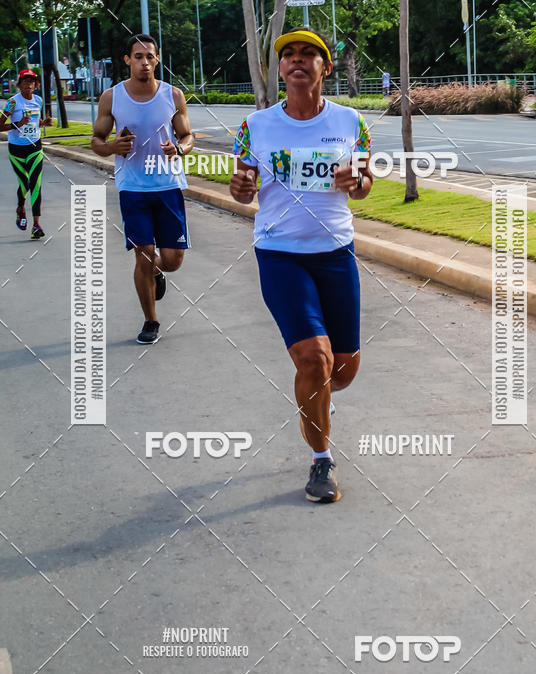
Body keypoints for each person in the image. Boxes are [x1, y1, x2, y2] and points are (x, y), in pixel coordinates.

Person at [229, 27, 373, 503]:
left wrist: (358, 181)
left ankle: (314, 402)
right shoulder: (256, 125)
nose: (296, 60)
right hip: (279, 252)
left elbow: (366, 181)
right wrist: (241, 189)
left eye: (308, 53)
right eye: (287, 54)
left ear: (325, 68)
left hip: (335, 252)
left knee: (343, 370)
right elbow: (242, 181)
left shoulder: (352, 121)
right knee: (315, 358)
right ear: (280, 70)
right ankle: (321, 461)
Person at [91, 34, 194, 344]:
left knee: (173, 259)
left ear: (157, 59)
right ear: (128, 60)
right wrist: (111, 148)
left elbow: (188, 137)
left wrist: (179, 148)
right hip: (133, 187)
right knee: (144, 254)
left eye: (150, 56)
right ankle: (151, 320)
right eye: (138, 56)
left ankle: (158, 272)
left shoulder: (173, 95)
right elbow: (96, 141)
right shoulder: (112, 97)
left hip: (168, 184)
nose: (145, 62)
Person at [0, 68, 52, 239]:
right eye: (24, 81)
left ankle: (36, 225)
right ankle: (20, 208)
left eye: (31, 81)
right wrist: (18, 124)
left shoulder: (38, 100)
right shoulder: (13, 102)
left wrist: (44, 123)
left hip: (35, 147)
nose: (28, 84)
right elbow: (0, 126)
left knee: (35, 184)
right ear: (19, 84)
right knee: (25, 184)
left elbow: (36, 123)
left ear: (35, 84)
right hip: (16, 150)